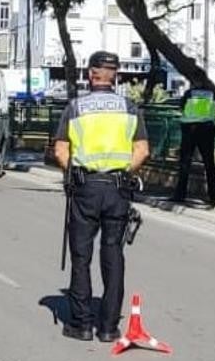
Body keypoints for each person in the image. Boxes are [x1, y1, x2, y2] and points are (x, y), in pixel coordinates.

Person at [54, 51, 150, 342]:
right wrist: (124, 171)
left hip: (85, 188)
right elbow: (142, 150)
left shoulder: (76, 107)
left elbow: (61, 151)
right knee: (113, 254)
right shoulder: (129, 107)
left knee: (81, 256)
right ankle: (108, 327)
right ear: (115, 74)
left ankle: (81, 324)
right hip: (118, 189)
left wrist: (72, 174)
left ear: (91, 73)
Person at [172, 80, 215, 206]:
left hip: (190, 129)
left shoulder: (189, 93)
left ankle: (180, 195)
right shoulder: (212, 94)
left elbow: (181, 107)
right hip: (207, 130)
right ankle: (213, 197)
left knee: (185, 164)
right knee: (209, 164)